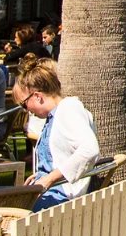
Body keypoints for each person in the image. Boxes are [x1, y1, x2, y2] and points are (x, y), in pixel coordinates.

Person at [18, 59, 99, 211]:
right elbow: (62, 154)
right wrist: (41, 174)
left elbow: (90, 150)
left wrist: (49, 178)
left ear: (37, 96)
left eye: (24, 104)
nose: (27, 110)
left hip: (60, 198)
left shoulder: (69, 109)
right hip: (52, 192)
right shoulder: (56, 114)